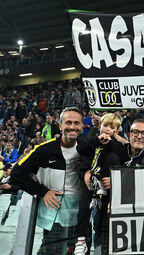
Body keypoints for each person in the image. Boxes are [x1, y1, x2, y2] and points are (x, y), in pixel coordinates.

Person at [11, 107, 84, 254]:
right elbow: (16, 174)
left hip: (79, 218)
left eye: (77, 123)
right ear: (60, 125)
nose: (72, 127)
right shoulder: (43, 150)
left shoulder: (86, 149)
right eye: (68, 122)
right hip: (53, 219)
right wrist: (43, 191)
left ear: (82, 125)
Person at [94, 118, 144, 254]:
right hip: (107, 219)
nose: (139, 136)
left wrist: (118, 182)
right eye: (135, 132)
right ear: (129, 134)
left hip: (135, 223)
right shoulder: (117, 151)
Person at [74, 113, 126, 255]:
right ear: (100, 126)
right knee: (84, 208)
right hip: (90, 183)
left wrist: (110, 142)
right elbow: (80, 150)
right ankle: (81, 241)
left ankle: (104, 244)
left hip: (107, 188)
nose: (107, 129)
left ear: (116, 131)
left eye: (111, 127)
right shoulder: (92, 139)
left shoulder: (115, 145)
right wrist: (96, 141)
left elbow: (120, 157)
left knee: (102, 218)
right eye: (105, 126)